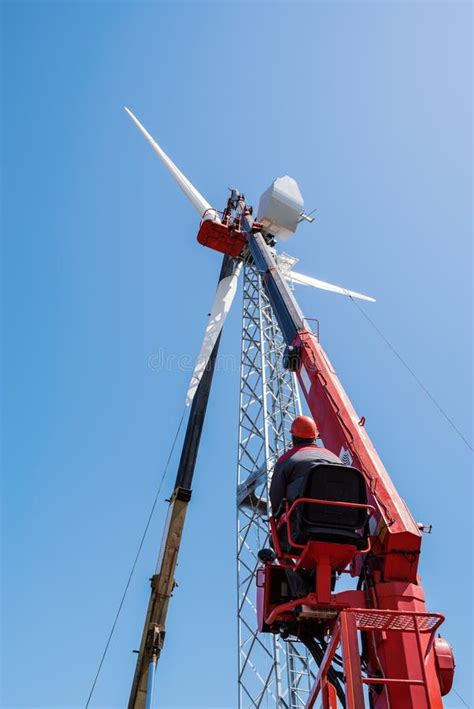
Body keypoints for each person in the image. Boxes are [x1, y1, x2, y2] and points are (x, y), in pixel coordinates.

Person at [270, 415, 342, 514]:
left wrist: (276, 515)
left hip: (305, 517)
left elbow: (276, 495)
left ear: (293, 437)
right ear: (315, 437)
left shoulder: (287, 458)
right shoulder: (334, 457)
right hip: (343, 516)